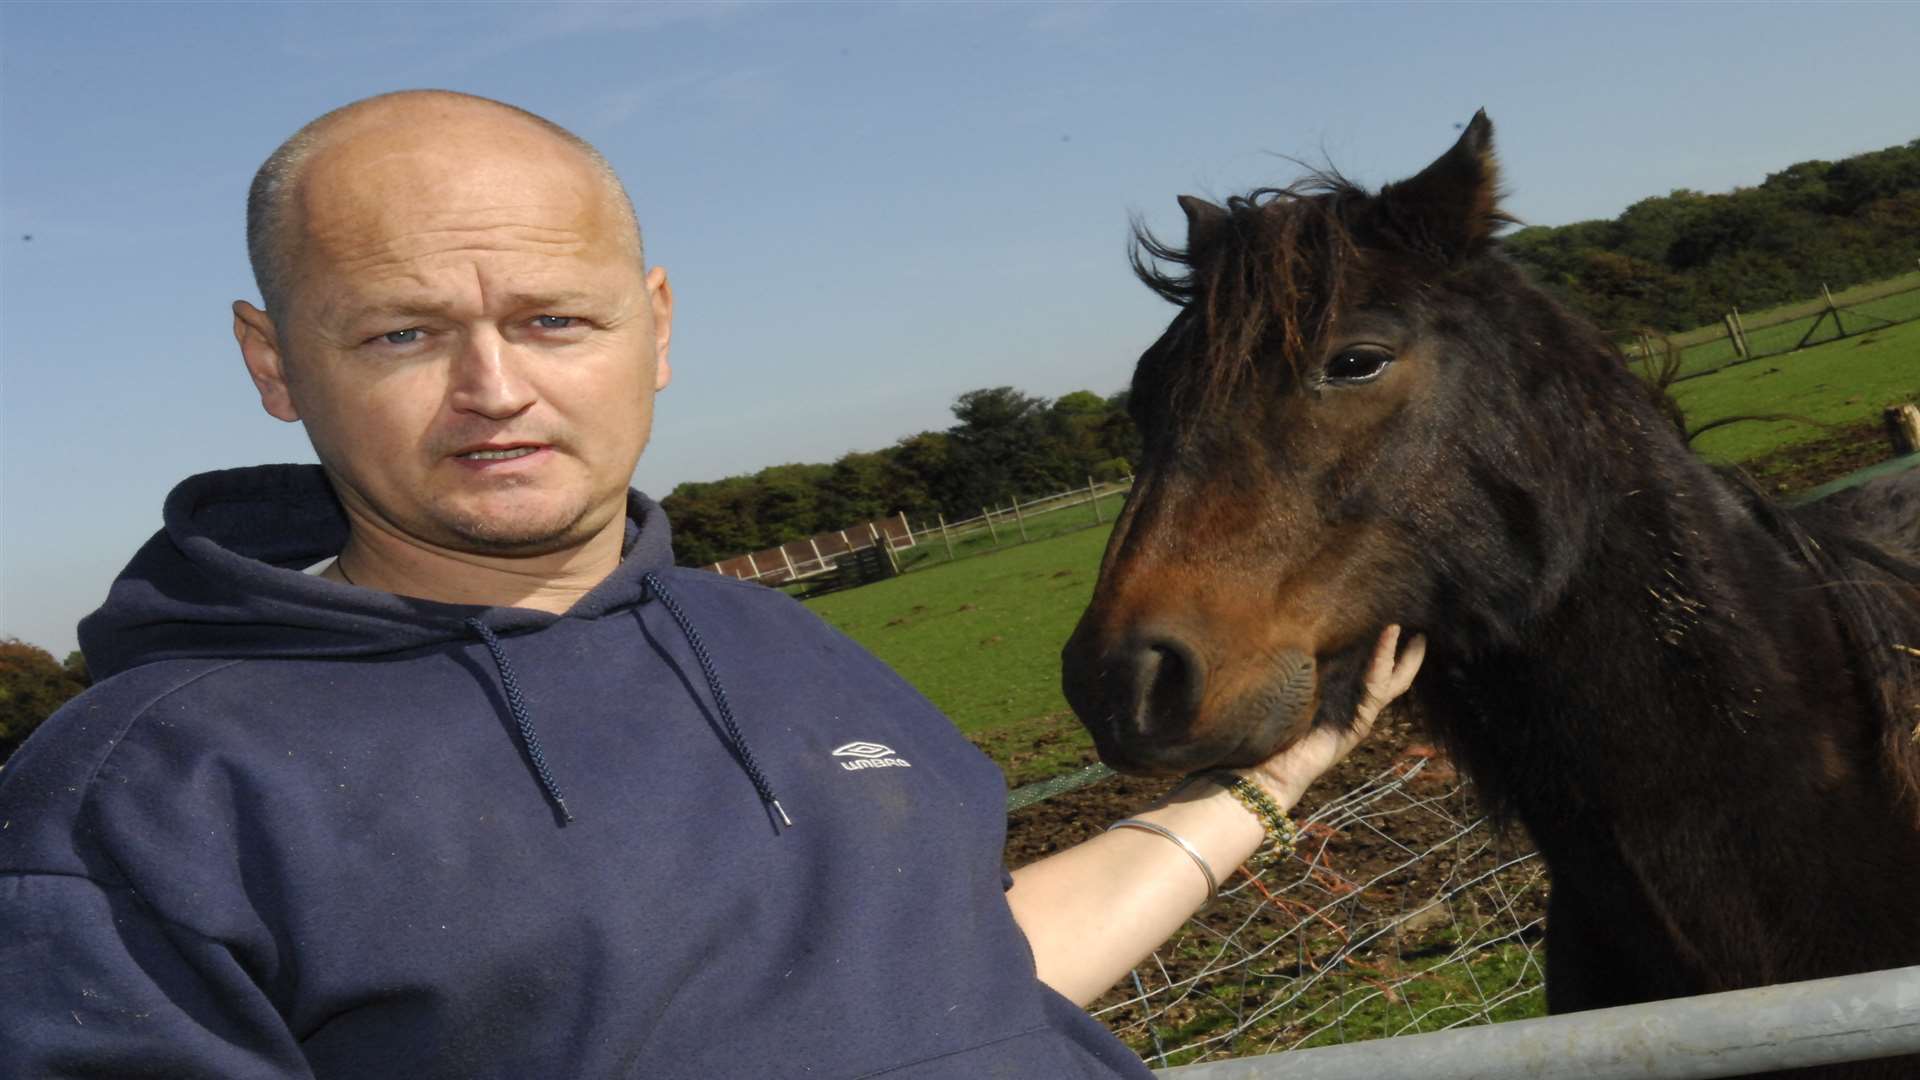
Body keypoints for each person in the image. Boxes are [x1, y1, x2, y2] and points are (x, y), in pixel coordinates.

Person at [0, 90, 1424, 1078]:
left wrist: (1270, 784)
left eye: (554, 319)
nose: (494, 390)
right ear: (274, 363)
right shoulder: (144, 801)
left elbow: (969, 971)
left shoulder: (780, 650)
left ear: (655, 327)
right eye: (400, 335)